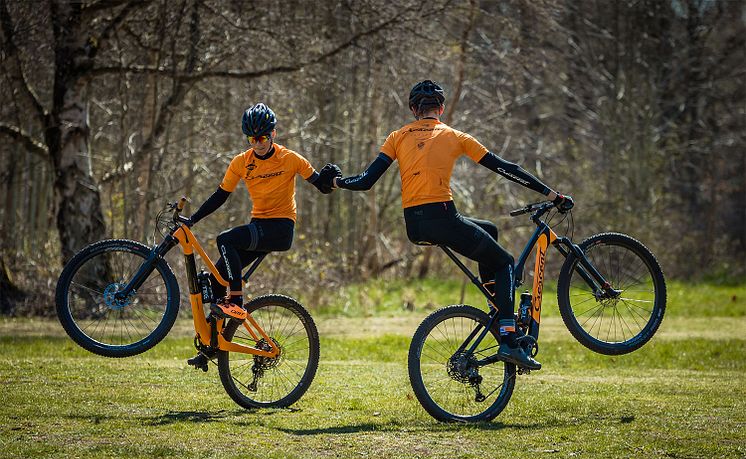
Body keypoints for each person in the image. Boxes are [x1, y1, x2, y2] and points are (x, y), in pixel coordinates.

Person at [323, 80, 573, 370]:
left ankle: (498, 306)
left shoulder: (397, 136)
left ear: (413, 109)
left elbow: (365, 181)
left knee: (489, 229)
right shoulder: (454, 136)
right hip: (443, 217)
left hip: (415, 226)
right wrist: (552, 194)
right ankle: (508, 337)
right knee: (504, 261)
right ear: (440, 108)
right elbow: (507, 169)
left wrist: (336, 181)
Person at [185, 103, 340, 369]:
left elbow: (321, 185)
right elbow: (220, 196)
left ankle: (237, 301)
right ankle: (213, 346)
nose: (258, 143)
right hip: (259, 226)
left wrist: (333, 179)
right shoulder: (241, 162)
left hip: (280, 228)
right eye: (252, 139)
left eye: (263, 137)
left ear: (273, 134)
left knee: (226, 239)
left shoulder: (291, 158)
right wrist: (194, 219)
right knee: (216, 279)